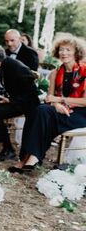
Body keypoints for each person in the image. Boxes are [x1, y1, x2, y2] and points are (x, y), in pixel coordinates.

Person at [11, 35, 86, 173]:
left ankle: (28, 158)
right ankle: (32, 157)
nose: (64, 53)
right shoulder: (55, 73)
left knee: (42, 113)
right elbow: (50, 98)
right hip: (59, 110)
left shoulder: (85, 72)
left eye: (68, 50)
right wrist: (56, 105)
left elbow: (84, 101)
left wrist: (60, 101)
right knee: (38, 111)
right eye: (61, 50)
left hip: (81, 114)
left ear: (77, 52)